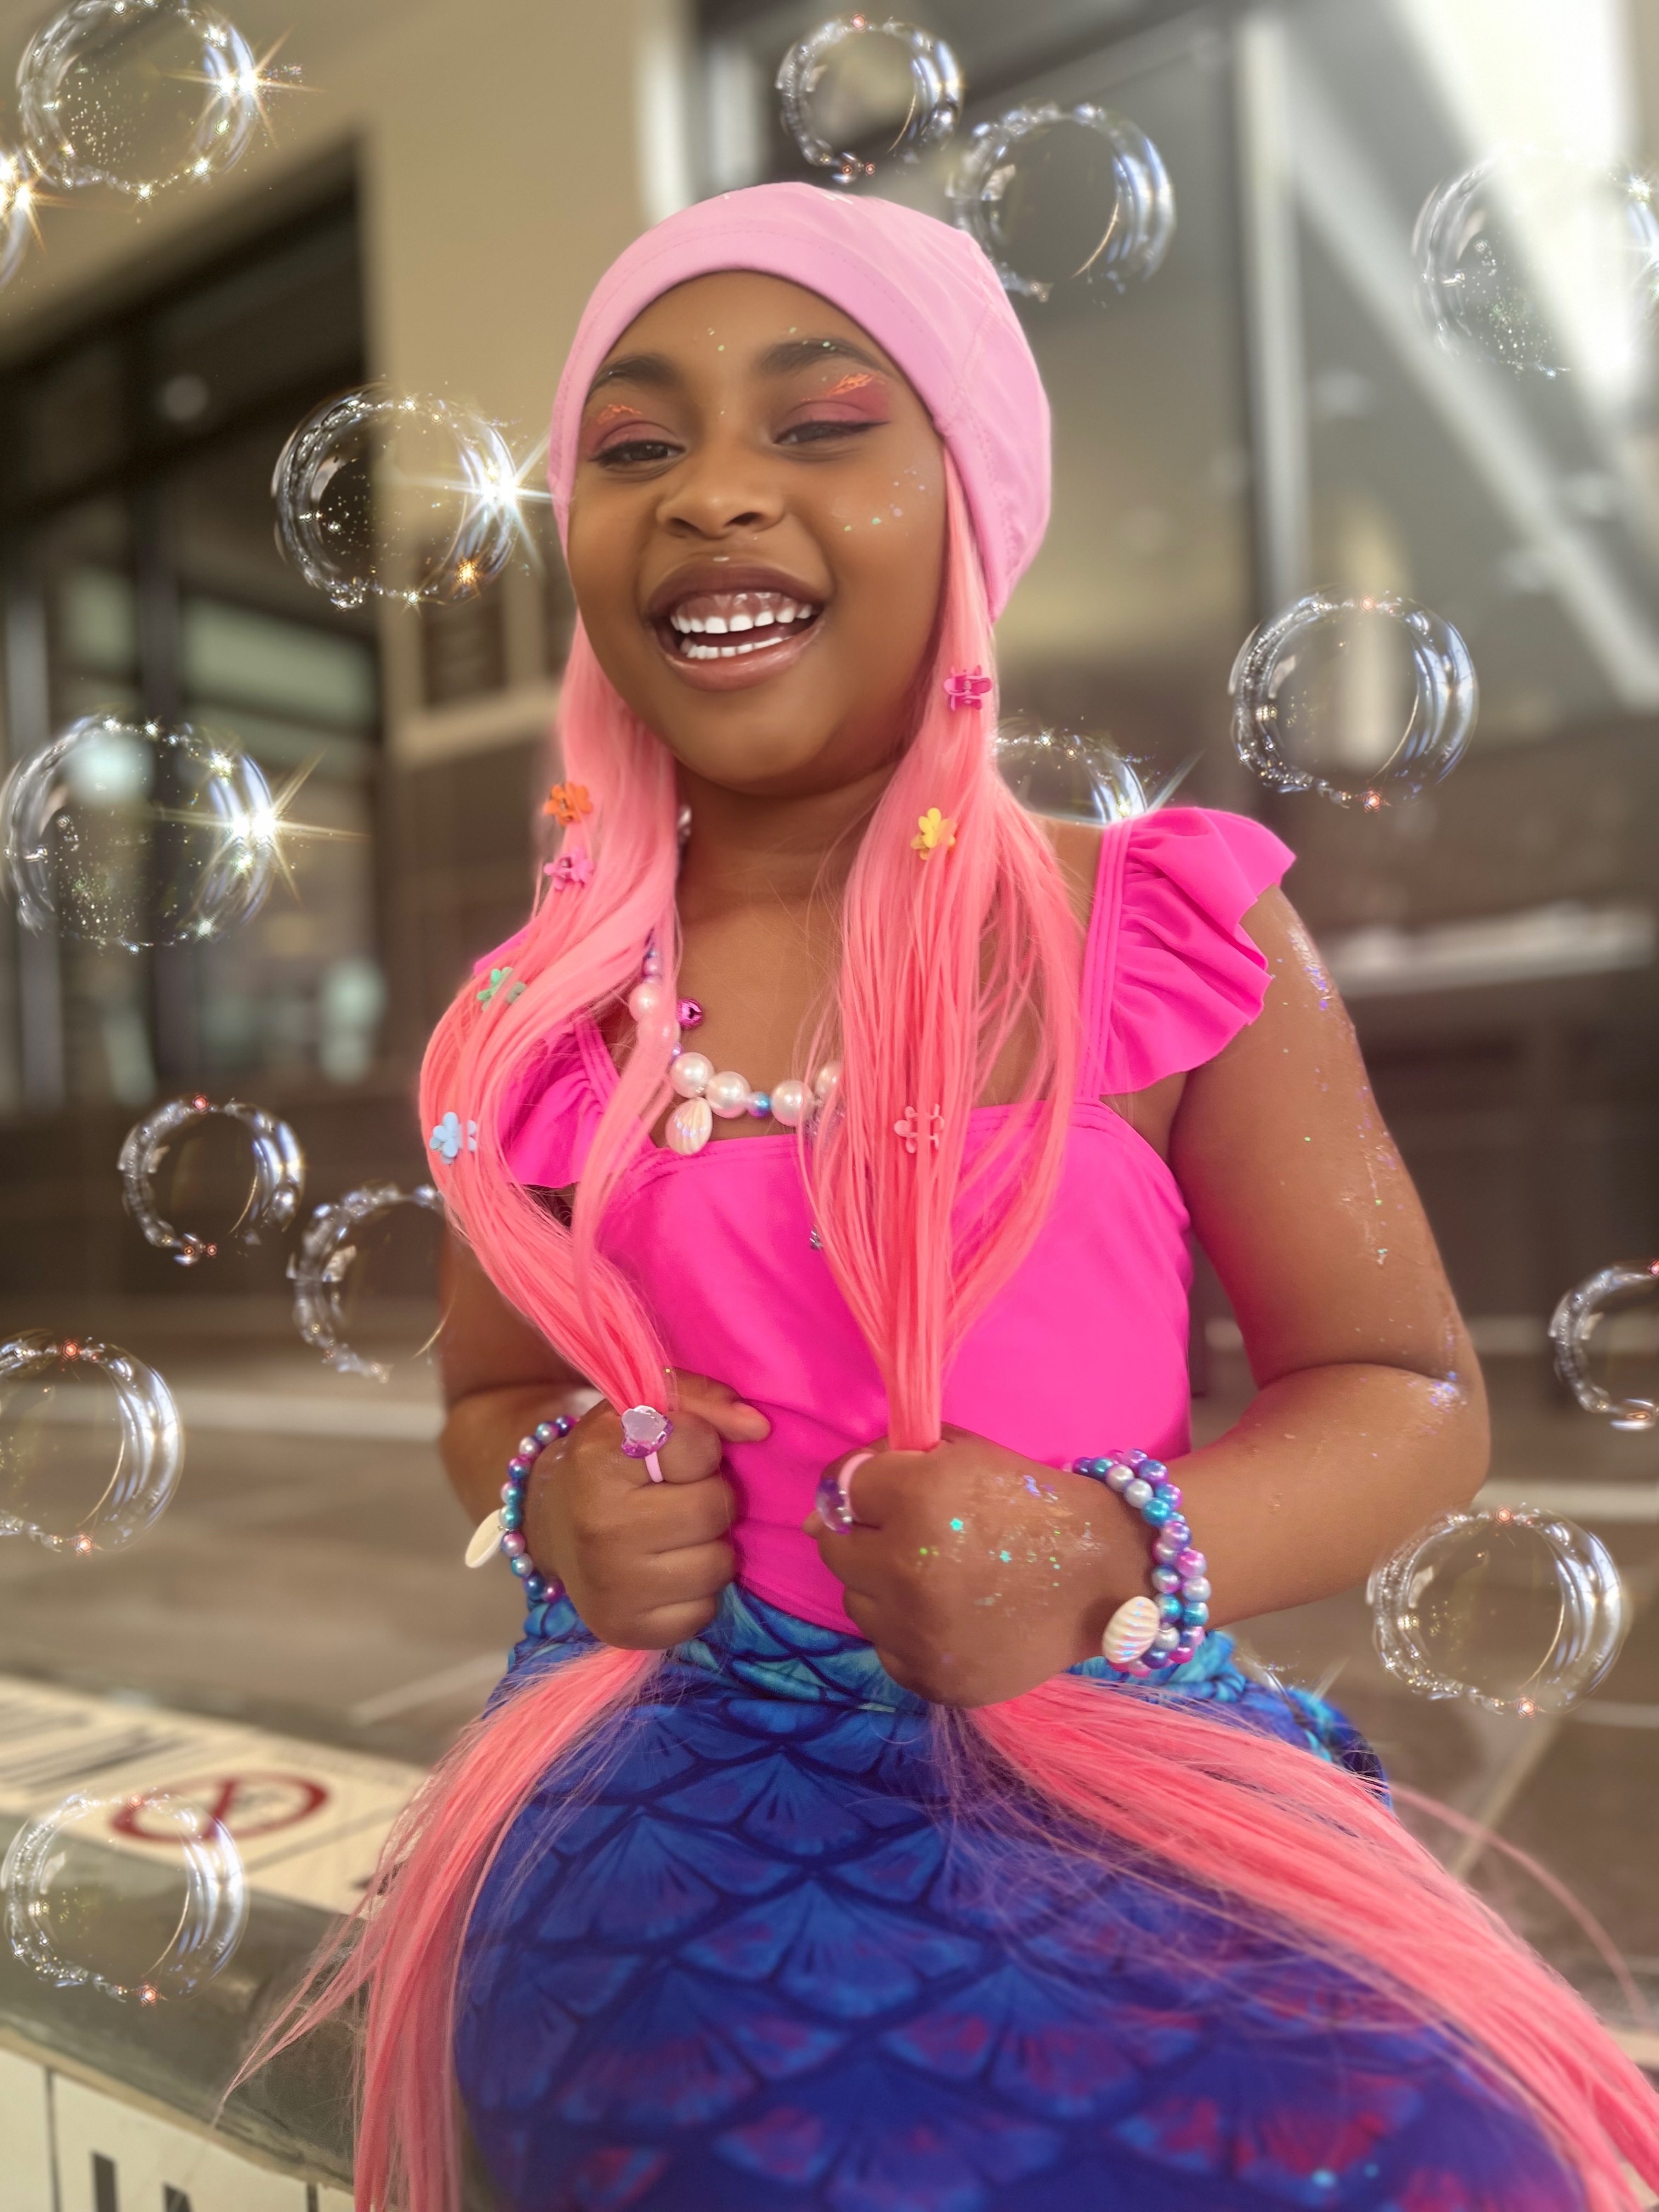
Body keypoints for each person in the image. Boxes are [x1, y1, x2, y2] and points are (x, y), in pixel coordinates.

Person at [265, 186, 1659, 2212]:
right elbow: (487, 1404)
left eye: (821, 424)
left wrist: (1108, 1544)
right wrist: (554, 1486)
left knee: (1424, 2139)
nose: (713, 496)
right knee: (753, 2144)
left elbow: (1406, 1393)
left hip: (1112, 1740)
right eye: (635, 449)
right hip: (686, 1768)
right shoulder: (543, 1018)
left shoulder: (1168, 938)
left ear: (973, 512)